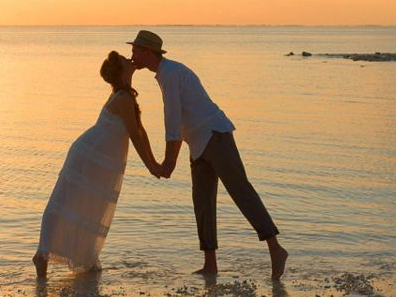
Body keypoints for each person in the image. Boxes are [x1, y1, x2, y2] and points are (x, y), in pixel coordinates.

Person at [127, 30, 288, 279]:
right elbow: (177, 122)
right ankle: (210, 264)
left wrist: (167, 163)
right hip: (198, 142)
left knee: (240, 191)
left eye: (136, 50)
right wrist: (169, 160)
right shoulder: (164, 74)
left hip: (215, 135)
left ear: (148, 52)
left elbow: (172, 120)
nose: (132, 54)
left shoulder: (170, 73)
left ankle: (276, 250)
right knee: (202, 202)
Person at [34, 51, 167, 280]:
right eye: (125, 59)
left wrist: (155, 163)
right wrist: (151, 166)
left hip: (99, 158)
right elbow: (135, 135)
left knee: (90, 205)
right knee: (64, 202)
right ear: (122, 70)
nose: (129, 58)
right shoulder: (123, 98)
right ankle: (42, 254)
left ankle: (85, 255)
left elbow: (141, 131)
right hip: (90, 155)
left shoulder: (126, 95)